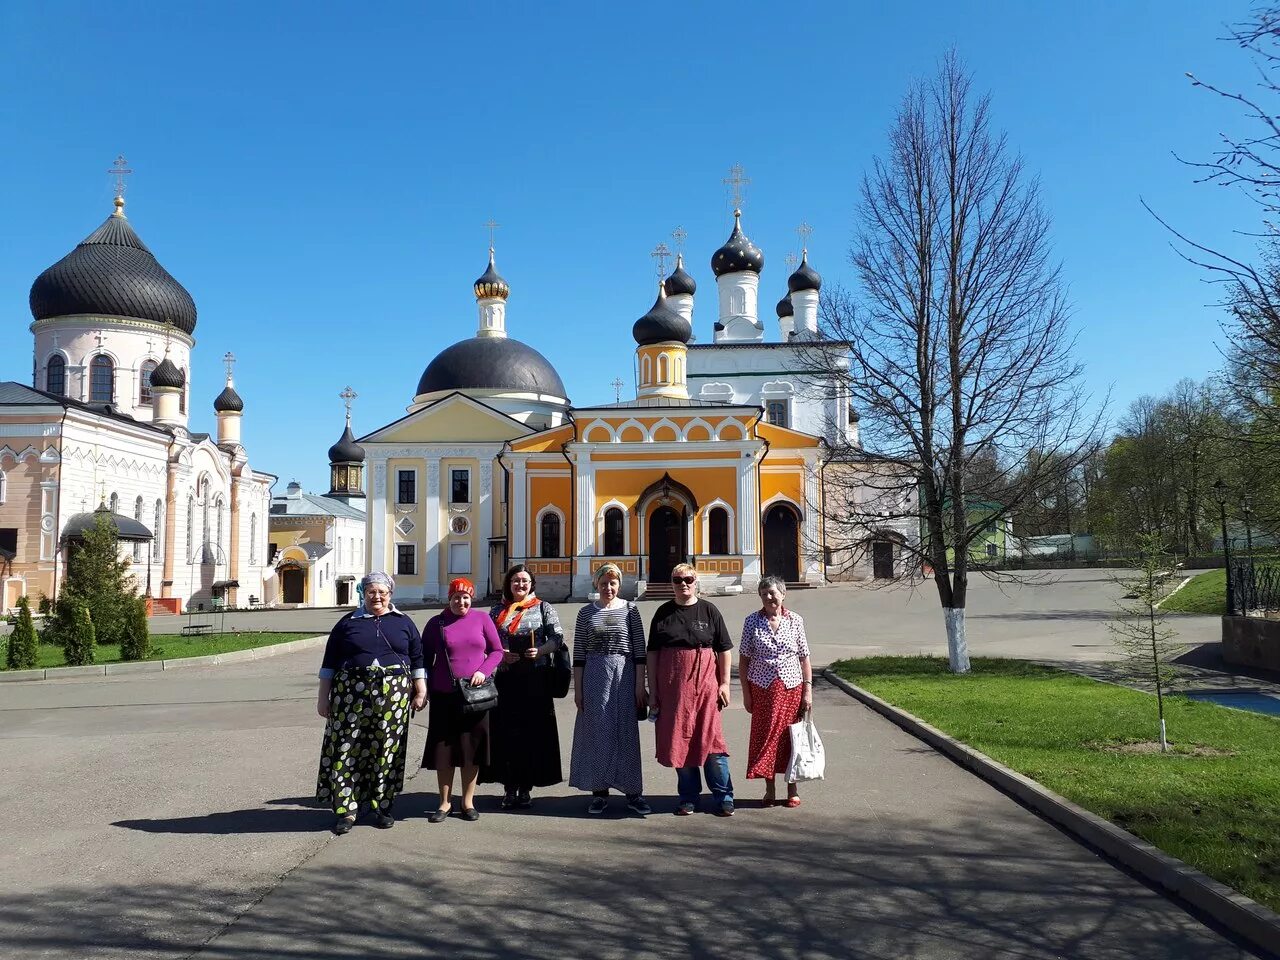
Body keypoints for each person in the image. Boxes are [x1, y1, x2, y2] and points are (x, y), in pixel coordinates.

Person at [315, 572, 427, 835]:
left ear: (390, 594)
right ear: (363, 594)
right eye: (371, 592)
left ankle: (381, 806)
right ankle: (346, 810)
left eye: (382, 592)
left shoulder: (403, 623)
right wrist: (323, 697)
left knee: (386, 751)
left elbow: (417, 658)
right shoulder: (347, 623)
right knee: (346, 748)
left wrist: (420, 689)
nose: (377, 597)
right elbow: (329, 662)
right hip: (350, 696)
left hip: (394, 697)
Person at [647, 562, 735, 816]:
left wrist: (725, 683)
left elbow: (723, 649)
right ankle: (688, 797)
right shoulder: (663, 613)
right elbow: (652, 653)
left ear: (696, 581)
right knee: (680, 740)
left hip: (705, 684)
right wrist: (652, 690)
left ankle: (723, 796)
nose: (683, 584)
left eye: (688, 579)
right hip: (672, 687)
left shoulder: (709, 610)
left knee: (713, 740)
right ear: (671, 583)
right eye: (677, 580)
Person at [568, 563, 651, 815]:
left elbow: (640, 651)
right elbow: (579, 654)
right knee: (597, 731)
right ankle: (599, 792)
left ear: (619, 584)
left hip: (624, 674)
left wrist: (640, 685)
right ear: (597, 584)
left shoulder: (631, 610)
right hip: (594, 674)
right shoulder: (585, 613)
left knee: (625, 731)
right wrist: (578, 691)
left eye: (613, 583)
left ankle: (633, 792)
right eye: (604, 583)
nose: (608, 587)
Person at [481, 564, 566, 809]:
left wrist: (539, 650)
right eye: (516, 581)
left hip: (535, 680)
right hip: (506, 680)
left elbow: (557, 638)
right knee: (506, 734)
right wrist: (501, 654)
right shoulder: (497, 610)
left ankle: (526, 788)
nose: (520, 585)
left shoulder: (543, 608)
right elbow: (484, 640)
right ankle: (509, 787)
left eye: (525, 581)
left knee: (532, 734)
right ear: (508, 583)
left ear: (531, 584)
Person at [421, 577, 504, 823]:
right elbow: (424, 659)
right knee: (444, 751)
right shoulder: (437, 623)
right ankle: (444, 803)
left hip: (475, 696)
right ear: (449, 599)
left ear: (472, 598)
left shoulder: (482, 619)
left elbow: (497, 651)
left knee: (472, 749)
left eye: (465, 597)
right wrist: (421, 689)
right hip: (444, 694)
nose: (461, 601)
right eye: (456, 597)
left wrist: (483, 671)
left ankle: (467, 802)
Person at [739, 576, 813, 807]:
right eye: (764, 594)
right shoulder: (752, 621)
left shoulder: (795, 621)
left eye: (772, 593)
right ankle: (769, 789)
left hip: (792, 687)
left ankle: (792, 788)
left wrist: (807, 691)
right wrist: (746, 693)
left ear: (783, 594)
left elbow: (804, 657)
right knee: (766, 738)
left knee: (790, 738)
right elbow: (743, 660)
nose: (769, 597)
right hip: (762, 688)